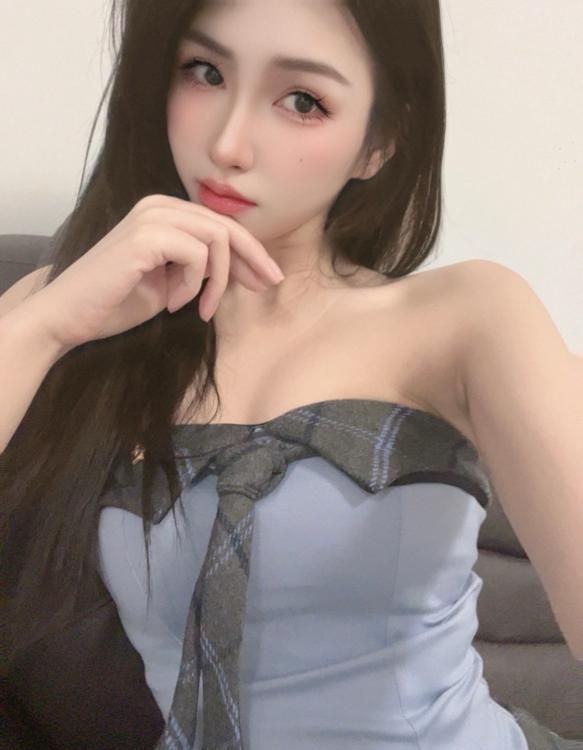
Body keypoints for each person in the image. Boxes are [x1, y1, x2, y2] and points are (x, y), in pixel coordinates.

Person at [0, 1, 581, 748]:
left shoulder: (465, 317)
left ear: (378, 141)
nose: (228, 144)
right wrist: (48, 327)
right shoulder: (64, 309)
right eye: (204, 72)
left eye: (302, 101)